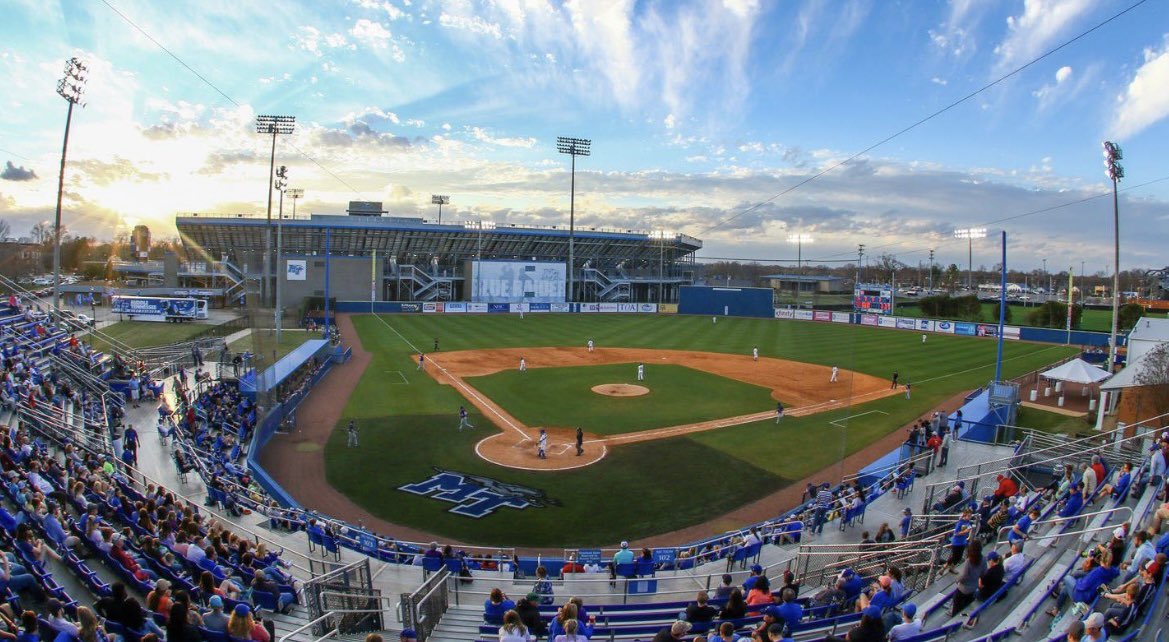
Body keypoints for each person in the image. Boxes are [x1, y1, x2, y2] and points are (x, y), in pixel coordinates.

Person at [950, 541, 984, 617]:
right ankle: (962, 617)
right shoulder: (983, 560)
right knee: (966, 606)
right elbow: (983, 573)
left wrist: (957, 579)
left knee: (957, 606)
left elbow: (964, 576)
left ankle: (954, 619)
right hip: (973, 588)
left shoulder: (969, 561)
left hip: (963, 589)